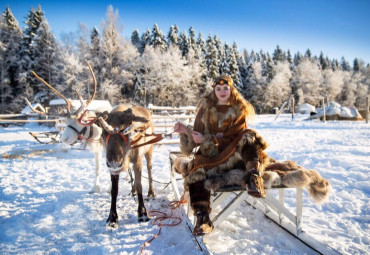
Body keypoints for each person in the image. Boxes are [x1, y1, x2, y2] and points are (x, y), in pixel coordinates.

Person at [174, 75, 266, 236]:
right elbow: (197, 137)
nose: (222, 92)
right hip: (210, 155)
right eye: (218, 89)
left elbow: (235, 137)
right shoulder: (205, 109)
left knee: (249, 136)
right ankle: (203, 218)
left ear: (231, 89)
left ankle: (254, 178)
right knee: (196, 171)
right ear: (214, 90)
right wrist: (186, 132)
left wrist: (207, 139)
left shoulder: (239, 110)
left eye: (225, 88)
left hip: (232, 155)